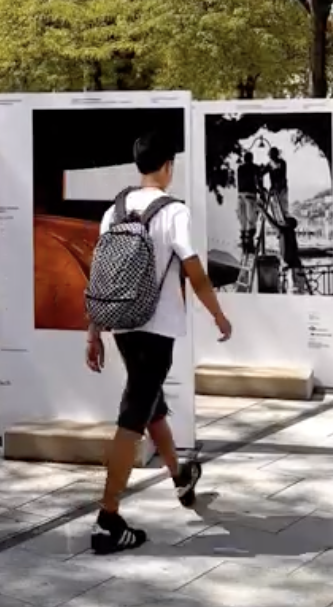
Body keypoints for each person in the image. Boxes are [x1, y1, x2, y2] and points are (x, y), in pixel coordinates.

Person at [86, 130, 232, 555]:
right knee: (133, 414)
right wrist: (219, 315)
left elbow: (99, 276)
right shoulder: (173, 212)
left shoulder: (114, 210)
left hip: (122, 325)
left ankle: (180, 476)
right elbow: (195, 271)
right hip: (156, 327)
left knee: (151, 405)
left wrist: (93, 331)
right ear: (168, 165)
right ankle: (107, 520)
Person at [236, 150, 261, 254]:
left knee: (243, 221)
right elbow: (258, 179)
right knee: (251, 220)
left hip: (240, 195)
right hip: (250, 195)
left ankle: (244, 246)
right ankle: (250, 246)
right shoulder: (254, 168)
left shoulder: (240, 168)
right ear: (251, 159)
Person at [267, 146, 289, 217]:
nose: (271, 157)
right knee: (277, 204)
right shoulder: (270, 164)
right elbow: (262, 172)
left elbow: (282, 174)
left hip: (281, 187)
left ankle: (284, 216)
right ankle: (278, 217)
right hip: (276, 188)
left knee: (283, 203)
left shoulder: (282, 162)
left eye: (272, 155)